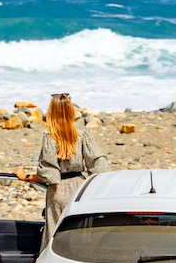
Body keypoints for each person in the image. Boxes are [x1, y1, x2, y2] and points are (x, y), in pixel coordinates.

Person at [15, 93, 110, 250]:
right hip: (80, 190)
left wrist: (26, 177)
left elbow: (50, 175)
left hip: (58, 191)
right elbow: (100, 164)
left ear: (51, 112)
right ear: (71, 111)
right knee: (80, 237)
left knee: (55, 239)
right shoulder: (83, 135)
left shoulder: (51, 138)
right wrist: (91, 185)